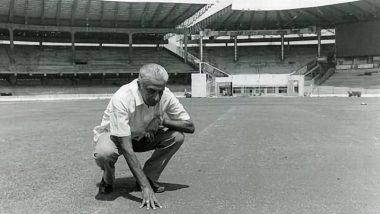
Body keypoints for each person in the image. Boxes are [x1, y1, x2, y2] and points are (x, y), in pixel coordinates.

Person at [93, 63, 194, 210]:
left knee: (177, 136)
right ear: (139, 84)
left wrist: (161, 120)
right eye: (151, 91)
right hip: (116, 138)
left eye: (160, 91)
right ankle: (108, 177)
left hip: (143, 137)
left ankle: (149, 176)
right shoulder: (122, 97)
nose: (156, 97)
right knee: (104, 153)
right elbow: (126, 146)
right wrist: (145, 188)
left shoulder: (166, 95)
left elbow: (190, 126)